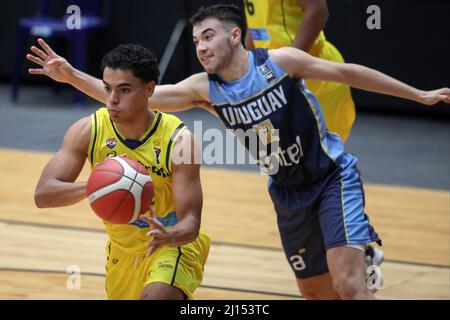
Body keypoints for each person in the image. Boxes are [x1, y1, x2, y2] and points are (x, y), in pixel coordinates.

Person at [27, 5, 450, 300]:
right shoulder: (204, 89)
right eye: (195, 41)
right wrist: (70, 76)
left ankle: (362, 254)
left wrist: (420, 94)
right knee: (317, 293)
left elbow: (349, 73)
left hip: (331, 177)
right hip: (286, 194)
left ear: (234, 35)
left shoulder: (280, 62)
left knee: (350, 286)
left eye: (207, 36)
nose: (201, 46)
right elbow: (132, 95)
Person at [32, 43, 210, 300]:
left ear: (149, 90)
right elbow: (43, 195)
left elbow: (191, 224)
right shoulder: (88, 130)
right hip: (122, 252)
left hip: (172, 244)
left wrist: (170, 235)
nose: (112, 100)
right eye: (107, 88)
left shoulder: (179, 142)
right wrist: (100, 186)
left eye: (124, 90)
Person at [243, 0, 384, 280]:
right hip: (274, 85)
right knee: (292, 172)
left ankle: (361, 251)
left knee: (324, 173)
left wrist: (286, 70)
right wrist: (249, 68)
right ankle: (344, 255)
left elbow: (318, 11)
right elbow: (254, 26)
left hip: (313, 80)